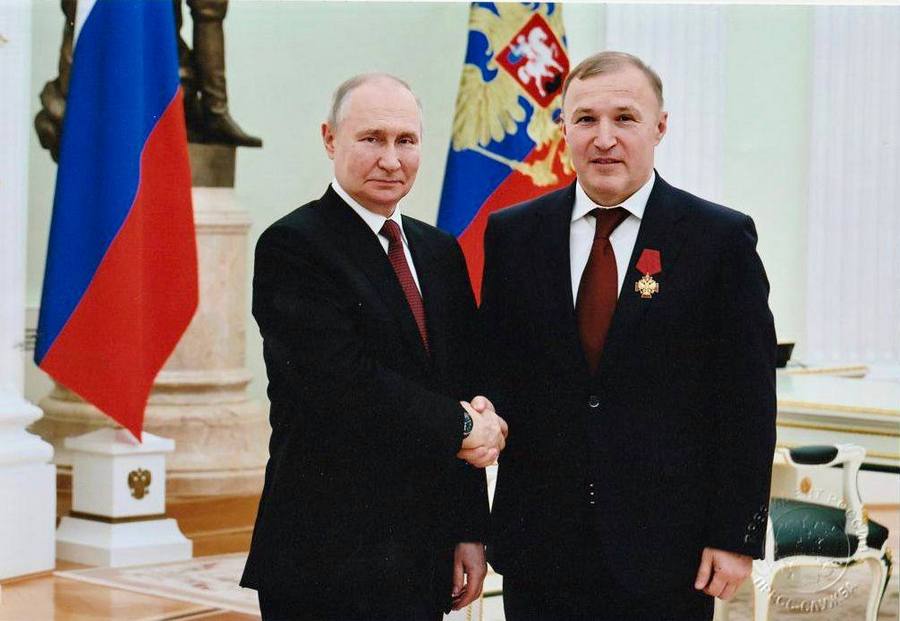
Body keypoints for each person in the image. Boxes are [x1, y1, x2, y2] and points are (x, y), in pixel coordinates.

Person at [480, 51, 776, 621]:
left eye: (625, 118)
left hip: (668, 551)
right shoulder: (513, 235)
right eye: (585, 119)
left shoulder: (718, 240)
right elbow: (495, 377)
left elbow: (747, 400)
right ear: (562, 128)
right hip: (541, 547)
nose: (604, 138)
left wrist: (735, 534)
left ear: (660, 127)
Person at [241, 73, 507, 621]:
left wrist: (468, 529)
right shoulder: (293, 246)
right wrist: (464, 427)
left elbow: (459, 384)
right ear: (330, 138)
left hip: (422, 553)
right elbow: (340, 383)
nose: (391, 159)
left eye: (406, 140)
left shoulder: (439, 252)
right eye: (372, 139)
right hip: (325, 556)